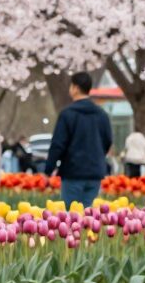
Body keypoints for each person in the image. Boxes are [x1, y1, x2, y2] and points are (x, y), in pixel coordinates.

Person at [44, 71, 113, 207]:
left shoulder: (67, 114)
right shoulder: (101, 115)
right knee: (89, 218)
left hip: (72, 172)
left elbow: (58, 144)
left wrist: (48, 170)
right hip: (94, 172)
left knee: (71, 218)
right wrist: (97, 156)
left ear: (75, 88)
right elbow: (108, 140)